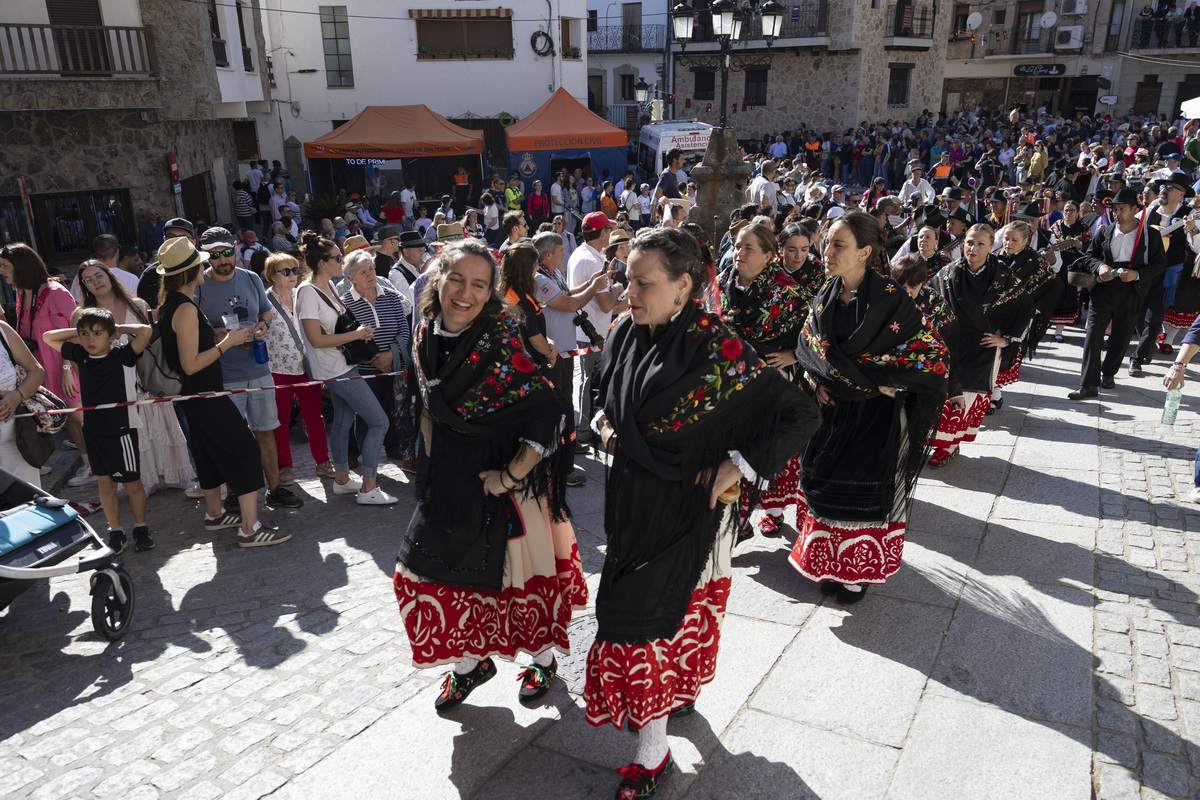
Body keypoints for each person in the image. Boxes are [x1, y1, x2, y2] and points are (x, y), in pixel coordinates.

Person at [586, 227, 819, 799]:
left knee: (653, 624)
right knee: (642, 616)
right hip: (633, 503)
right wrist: (605, 427)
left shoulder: (721, 348)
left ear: (683, 285)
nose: (628, 291)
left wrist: (737, 465)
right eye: (626, 279)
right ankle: (667, 711)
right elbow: (600, 396)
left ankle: (653, 752)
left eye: (642, 282)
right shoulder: (623, 333)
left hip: (691, 511)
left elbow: (801, 412)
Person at [394, 239, 586, 712]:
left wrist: (509, 476)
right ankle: (471, 663)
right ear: (437, 278)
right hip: (451, 476)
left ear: (491, 291)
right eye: (456, 279)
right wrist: (434, 471)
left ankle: (542, 659)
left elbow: (548, 411)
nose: (466, 293)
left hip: (505, 480)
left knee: (512, 575)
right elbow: (427, 406)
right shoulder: (423, 333)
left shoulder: (501, 338)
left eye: (479, 284)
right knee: (431, 572)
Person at [788, 212, 949, 604]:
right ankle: (830, 564)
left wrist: (892, 383)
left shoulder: (891, 300)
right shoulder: (825, 293)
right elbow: (808, 345)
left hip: (874, 416)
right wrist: (814, 379)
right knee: (825, 488)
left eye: (837, 244)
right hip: (831, 413)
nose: (826, 251)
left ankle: (856, 574)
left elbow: (933, 354)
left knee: (860, 495)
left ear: (864, 252)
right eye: (825, 242)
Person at [155, 237, 288, 546]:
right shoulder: (184, 308)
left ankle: (215, 513)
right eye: (201, 262)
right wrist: (225, 343)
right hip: (204, 393)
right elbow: (191, 364)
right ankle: (250, 528)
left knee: (207, 452)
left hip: (197, 395)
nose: (206, 265)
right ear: (190, 271)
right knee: (244, 451)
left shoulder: (175, 302)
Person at [704, 221, 808, 538]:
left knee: (768, 446)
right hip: (730, 384)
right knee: (733, 450)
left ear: (768, 255)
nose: (740, 252)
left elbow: (816, 334)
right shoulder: (719, 286)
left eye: (748, 248)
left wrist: (795, 354)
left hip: (773, 381)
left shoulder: (789, 292)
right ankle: (738, 518)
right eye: (737, 246)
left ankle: (773, 513)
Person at [195, 227, 303, 510]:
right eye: (214, 255)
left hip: (258, 367)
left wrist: (263, 325)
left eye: (227, 252)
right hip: (224, 373)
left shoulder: (251, 277)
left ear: (234, 247)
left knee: (266, 432)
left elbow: (265, 311)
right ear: (206, 256)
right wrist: (217, 334)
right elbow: (193, 329)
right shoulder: (198, 285)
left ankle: (275, 489)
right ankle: (235, 492)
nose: (222, 260)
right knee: (233, 437)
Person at [77, 260, 197, 494]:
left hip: (146, 374)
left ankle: (177, 474)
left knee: (161, 419)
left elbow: (153, 343)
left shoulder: (138, 305)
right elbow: (79, 353)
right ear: (85, 287)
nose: (96, 282)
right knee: (132, 429)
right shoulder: (82, 315)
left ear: (109, 276)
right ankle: (143, 480)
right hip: (112, 381)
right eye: (88, 280)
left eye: (99, 275)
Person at [296, 233, 396, 504]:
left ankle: (342, 479)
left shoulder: (327, 286)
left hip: (341, 365)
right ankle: (368, 488)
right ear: (321, 262)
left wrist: (357, 334)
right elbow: (315, 340)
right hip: (335, 369)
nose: (341, 261)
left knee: (343, 420)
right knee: (379, 421)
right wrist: (356, 335)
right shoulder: (307, 292)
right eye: (337, 258)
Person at [43, 309, 154, 552]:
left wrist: (116, 329)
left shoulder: (123, 355)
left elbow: (146, 331)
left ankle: (140, 527)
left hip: (122, 429)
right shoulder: (81, 353)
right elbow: (48, 336)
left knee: (132, 483)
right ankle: (116, 531)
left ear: (111, 335)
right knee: (105, 484)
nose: (90, 339)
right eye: (85, 334)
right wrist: (83, 330)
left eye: (97, 334)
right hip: (93, 429)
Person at [928, 225, 1030, 466]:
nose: (973, 248)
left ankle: (950, 445)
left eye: (980, 244)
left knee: (968, 395)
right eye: (969, 242)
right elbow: (929, 303)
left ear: (991, 246)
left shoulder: (1004, 276)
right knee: (944, 393)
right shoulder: (946, 274)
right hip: (950, 343)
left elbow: (1024, 306)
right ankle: (941, 443)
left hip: (982, 346)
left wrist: (1006, 339)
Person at [0, 243, 90, 485]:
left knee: (80, 419)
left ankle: (101, 466)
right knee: (69, 420)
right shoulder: (23, 293)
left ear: (21, 266)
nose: (1, 271)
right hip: (40, 370)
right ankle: (88, 464)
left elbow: (73, 334)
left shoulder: (55, 292)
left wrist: (67, 369)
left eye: (4, 266)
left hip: (63, 368)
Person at [1069, 188, 1168, 399]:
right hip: (1103, 289)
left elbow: (1160, 264)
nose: (1116, 213)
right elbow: (1088, 257)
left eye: (1121, 208)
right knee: (1093, 335)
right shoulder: (1104, 231)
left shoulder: (1150, 234)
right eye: (1114, 209)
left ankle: (1109, 373)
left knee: (1121, 338)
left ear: (1135, 209)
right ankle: (1088, 385)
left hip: (1132, 291)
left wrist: (1138, 274)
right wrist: (1100, 267)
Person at [263, 253, 334, 484]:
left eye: (295, 270)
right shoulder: (264, 301)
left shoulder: (304, 295)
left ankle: (323, 462)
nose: (292, 275)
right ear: (272, 275)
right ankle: (285, 467)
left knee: (314, 416)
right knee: (281, 421)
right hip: (278, 368)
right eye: (286, 271)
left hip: (307, 366)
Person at [336, 249, 411, 463]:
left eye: (371, 268)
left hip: (394, 365)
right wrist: (374, 359)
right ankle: (361, 455)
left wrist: (389, 355)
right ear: (351, 278)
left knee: (393, 407)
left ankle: (393, 446)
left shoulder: (390, 295)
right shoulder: (344, 303)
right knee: (365, 415)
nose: (370, 274)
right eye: (363, 272)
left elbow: (404, 330)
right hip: (363, 371)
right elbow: (345, 338)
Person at [0, 320, 46, 487]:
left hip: (18, 442)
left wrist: (18, 396)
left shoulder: (2, 330)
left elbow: (36, 371)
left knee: (27, 506)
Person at [389, 230, 428, 297]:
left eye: (424, 250)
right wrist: (423, 276)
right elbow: (407, 299)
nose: (423, 254)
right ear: (406, 252)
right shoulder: (395, 273)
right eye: (419, 250)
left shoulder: (422, 264)